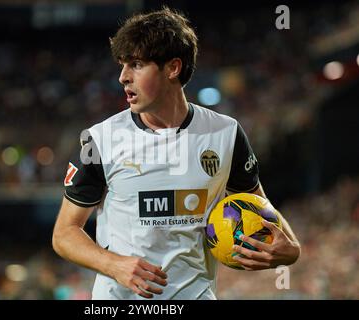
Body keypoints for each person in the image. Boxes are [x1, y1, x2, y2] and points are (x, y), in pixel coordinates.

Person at [52, 6, 301, 300]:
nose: (123, 77)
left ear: (173, 68)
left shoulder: (225, 133)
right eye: (122, 65)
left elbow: (259, 205)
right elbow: (64, 233)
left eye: (136, 64)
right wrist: (113, 265)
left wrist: (290, 249)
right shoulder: (100, 139)